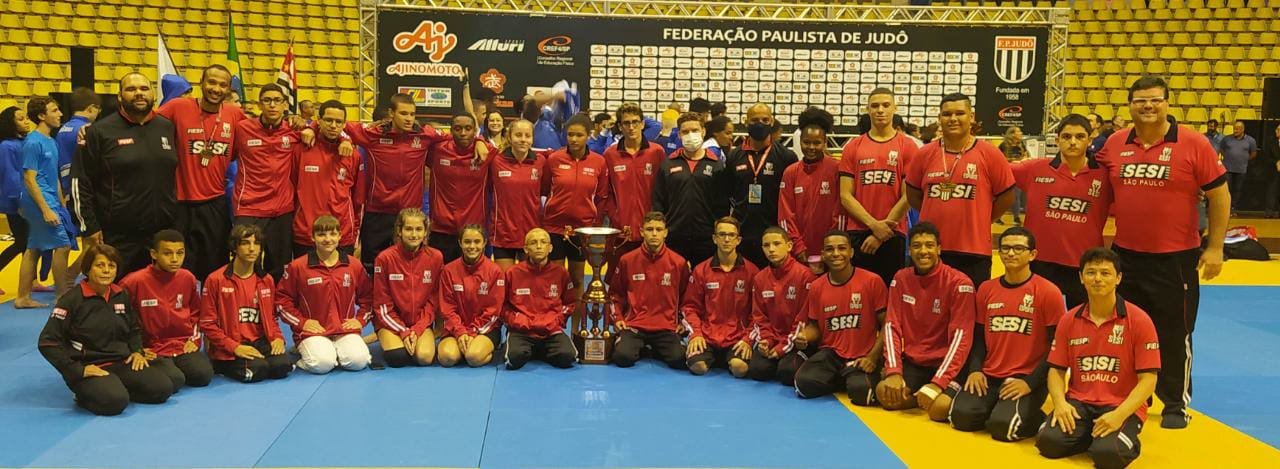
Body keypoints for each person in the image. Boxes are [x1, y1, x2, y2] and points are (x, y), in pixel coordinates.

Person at [1094, 76, 1228, 428]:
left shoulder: (1194, 143)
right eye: (1140, 100)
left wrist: (1215, 247)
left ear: (1168, 103)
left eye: (1155, 99)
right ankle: (1131, 398)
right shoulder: (1115, 143)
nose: (1148, 106)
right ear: (1130, 105)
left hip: (1176, 258)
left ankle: (1174, 403)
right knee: (1124, 331)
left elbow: (1219, 195)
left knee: (1174, 332)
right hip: (1125, 256)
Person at [1036, 247, 1159, 468]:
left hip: (1120, 405)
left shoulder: (1139, 320)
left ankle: (1114, 439)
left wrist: (1119, 415)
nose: (1098, 279)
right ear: (1081, 277)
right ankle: (1090, 435)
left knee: (1108, 455)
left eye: (1105, 273)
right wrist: (1060, 403)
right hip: (1080, 403)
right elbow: (1056, 369)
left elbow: (1149, 380)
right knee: (1048, 443)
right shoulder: (1069, 319)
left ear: (1118, 278)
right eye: (1091, 273)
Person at [950, 227, 1065, 441]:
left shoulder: (1048, 292)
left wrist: (1030, 383)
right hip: (990, 375)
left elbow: (1056, 347)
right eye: (1006, 248)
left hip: (1026, 378)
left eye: (1018, 248)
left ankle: (1035, 416)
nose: (1011, 253)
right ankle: (1000, 409)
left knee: (1003, 428)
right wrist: (975, 370)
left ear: (1032, 254)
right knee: (961, 418)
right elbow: (978, 337)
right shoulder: (986, 289)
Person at [38, 243, 173, 416]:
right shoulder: (71, 300)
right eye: (100, 265)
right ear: (87, 269)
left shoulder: (120, 294)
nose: (106, 271)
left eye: (111, 266)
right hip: (90, 366)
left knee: (163, 389)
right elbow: (47, 342)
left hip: (121, 361)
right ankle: (87, 394)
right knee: (115, 402)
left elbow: (133, 328)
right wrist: (76, 370)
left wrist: (137, 351)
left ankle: (114, 387)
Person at [73, 73, 179, 277]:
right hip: (118, 234)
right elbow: (81, 181)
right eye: (131, 89)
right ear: (120, 96)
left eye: (144, 88)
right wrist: (89, 226)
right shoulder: (99, 132)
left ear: (153, 94)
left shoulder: (166, 127)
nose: (139, 93)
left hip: (160, 232)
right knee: (115, 291)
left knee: (155, 291)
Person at [904, 93, 1016, 285]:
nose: (953, 119)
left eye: (960, 113)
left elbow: (1007, 196)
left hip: (973, 250)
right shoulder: (924, 154)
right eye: (947, 114)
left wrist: (981, 217)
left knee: (970, 303)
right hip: (930, 249)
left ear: (971, 117)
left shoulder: (989, 153)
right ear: (939, 118)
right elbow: (913, 195)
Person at [158, 65, 249, 280]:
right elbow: (143, 122)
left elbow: (260, 133)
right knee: (175, 268)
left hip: (214, 204)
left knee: (214, 267)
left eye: (222, 85)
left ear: (228, 89)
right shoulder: (178, 107)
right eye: (212, 82)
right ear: (201, 82)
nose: (216, 88)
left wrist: (304, 125)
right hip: (179, 203)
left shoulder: (235, 114)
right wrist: (92, 128)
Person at [878, 222, 975, 421]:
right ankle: (920, 394)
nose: (923, 251)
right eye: (917, 246)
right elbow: (891, 326)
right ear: (910, 250)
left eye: (929, 245)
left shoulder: (959, 283)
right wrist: (894, 371)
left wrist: (939, 382)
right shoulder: (901, 278)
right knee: (884, 393)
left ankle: (932, 394)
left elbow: (961, 338)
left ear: (939, 249)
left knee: (939, 410)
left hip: (947, 364)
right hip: (916, 362)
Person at [1013, 114, 1111, 308]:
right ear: (1057, 140)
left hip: (1085, 264)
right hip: (1040, 261)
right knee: (1038, 319)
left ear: (1090, 140)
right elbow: (993, 172)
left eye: (1080, 136)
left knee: (1081, 322)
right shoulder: (1034, 168)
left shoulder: (1106, 176)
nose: (1073, 142)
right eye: (1066, 137)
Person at [343, 93, 448, 270]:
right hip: (378, 213)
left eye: (412, 114)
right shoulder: (373, 134)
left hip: (410, 214)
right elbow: (337, 125)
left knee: (409, 267)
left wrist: (478, 141)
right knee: (372, 267)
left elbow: (456, 137)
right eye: (403, 113)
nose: (409, 119)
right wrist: (342, 139)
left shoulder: (424, 134)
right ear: (391, 113)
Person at [790, 230, 889, 403]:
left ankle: (850, 378)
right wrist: (804, 336)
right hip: (831, 354)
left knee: (862, 393)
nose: (836, 254)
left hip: (862, 354)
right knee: (803, 385)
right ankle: (846, 377)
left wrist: (873, 357)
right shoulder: (816, 287)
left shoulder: (872, 281)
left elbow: (887, 324)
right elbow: (815, 327)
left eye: (842, 248)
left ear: (851, 252)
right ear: (823, 255)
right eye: (830, 249)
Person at [276, 215, 373, 374]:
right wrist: (302, 323)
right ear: (312, 237)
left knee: (359, 361)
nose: (328, 239)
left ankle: (333, 351)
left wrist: (360, 320)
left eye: (332, 234)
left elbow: (368, 297)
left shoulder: (353, 265)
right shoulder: (298, 267)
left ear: (340, 236)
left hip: (344, 330)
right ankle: (308, 354)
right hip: (313, 331)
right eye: (321, 234)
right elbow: (282, 301)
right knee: (323, 364)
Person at [231, 84, 310, 279]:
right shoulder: (242, 129)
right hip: (249, 208)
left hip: (281, 210)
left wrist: (310, 128)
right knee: (246, 264)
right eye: (267, 100)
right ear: (260, 104)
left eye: (277, 100)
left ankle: (275, 298)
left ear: (285, 105)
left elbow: (329, 129)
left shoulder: (294, 130)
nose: (272, 105)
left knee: (279, 267)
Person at [840, 88, 917, 287]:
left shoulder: (907, 146)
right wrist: (874, 226)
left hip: (893, 232)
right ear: (868, 109)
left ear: (894, 108)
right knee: (859, 294)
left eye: (885, 105)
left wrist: (882, 231)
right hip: (859, 231)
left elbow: (908, 196)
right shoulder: (853, 146)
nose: (880, 110)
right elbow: (845, 195)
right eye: (874, 106)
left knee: (889, 292)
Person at [119, 230, 213, 391]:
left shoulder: (188, 278)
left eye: (180, 253)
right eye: (167, 253)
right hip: (152, 348)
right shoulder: (133, 282)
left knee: (203, 375)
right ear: (154, 254)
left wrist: (194, 340)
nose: (175, 259)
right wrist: (136, 349)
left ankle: (172, 366)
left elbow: (196, 313)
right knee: (175, 380)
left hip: (182, 344)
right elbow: (121, 320)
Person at [199, 224, 292, 383]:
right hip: (230, 345)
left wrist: (277, 338)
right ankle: (221, 365)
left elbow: (271, 317)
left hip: (258, 341)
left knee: (282, 366)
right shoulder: (216, 279)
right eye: (245, 243)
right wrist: (234, 347)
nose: (252, 249)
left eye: (256, 244)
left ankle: (257, 362)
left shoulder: (266, 280)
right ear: (235, 247)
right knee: (259, 369)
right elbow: (207, 324)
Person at [608, 211, 690, 369]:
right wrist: (617, 318)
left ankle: (649, 348)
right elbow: (615, 294)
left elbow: (686, 298)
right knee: (622, 357)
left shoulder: (678, 263)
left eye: (659, 230)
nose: (654, 234)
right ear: (641, 232)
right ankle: (644, 347)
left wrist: (682, 322)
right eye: (649, 229)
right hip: (634, 326)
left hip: (666, 327)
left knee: (679, 359)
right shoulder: (627, 260)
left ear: (665, 232)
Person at [542, 113, 608, 303]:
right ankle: (553, 319)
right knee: (554, 281)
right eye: (570, 134)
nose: (574, 139)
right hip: (554, 228)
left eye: (579, 135)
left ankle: (577, 322)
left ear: (588, 135)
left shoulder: (599, 162)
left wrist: (594, 227)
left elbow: (602, 197)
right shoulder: (554, 159)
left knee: (577, 279)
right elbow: (544, 190)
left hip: (582, 230)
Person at [722, 103, 798, 268]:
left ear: (772, 122)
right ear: (746, 122)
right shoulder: (734, 156)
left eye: (765, 120)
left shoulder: (786, 157)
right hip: (742, 231)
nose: (760, 124)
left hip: (773, 232)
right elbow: (727, 192)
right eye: (755, 120)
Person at [683, 216, 758, 377]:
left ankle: (727, 359)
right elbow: (690, 307)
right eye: (722, 234)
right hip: (707, 336)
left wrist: (747, 339)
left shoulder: (752, 272)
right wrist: (696, 334)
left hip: (737, 337)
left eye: (731, 235)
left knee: (739, 369)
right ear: (714, 239)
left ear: (738, 240)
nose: (726, 239)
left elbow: (758, 313)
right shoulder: (701, 270)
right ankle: (714, 358)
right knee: (698, 367)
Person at [653, 113, 729, 267]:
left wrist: (718, 232)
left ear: (703, 132)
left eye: (695, 130)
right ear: (679, 135)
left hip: (706, 237)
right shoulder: (668, 164)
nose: (690, 135)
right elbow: (659, 201)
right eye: (685, 131)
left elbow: (722, 204)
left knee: (705, 278)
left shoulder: (716, 165)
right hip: (674, 235)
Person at [373, 209, 445, 367]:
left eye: (419, 229)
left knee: (425, 358)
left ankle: (410, 339)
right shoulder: (385, 258)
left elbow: (434, 300)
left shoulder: (435, 257)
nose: (414, 234)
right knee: (398, 357)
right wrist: (403, 331)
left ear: (425, 232)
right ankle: (384, 336)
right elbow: (381, 304)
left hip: (420, 321)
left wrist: (418, 328)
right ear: (399, 230)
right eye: (408, 229)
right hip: (390, 322)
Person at [19, 96, 75, 300]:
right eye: (54, 111)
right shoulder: (33, 142)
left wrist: (61, 203)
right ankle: (62, 295)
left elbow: (54, 175)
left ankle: (23, 297)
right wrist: (46, 209)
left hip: (50, 198)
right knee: (63, 245)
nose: (60, 114)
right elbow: (29, 178)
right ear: (42, 116)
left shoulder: (51, 141)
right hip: (39, 200)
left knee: (33, 247)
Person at [601, 103, 665, 275]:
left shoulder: (657, 152)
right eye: (626, 123)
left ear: (642, 124)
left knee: (649, 278)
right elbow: (606, 192)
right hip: (621, 230)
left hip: (650, 229)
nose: (631, 127)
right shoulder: (610, 154)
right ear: (620, 126)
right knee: (617, 280)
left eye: (635, 122)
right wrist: (615, 215)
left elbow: (664, 189)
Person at [293, 99, 363, 257]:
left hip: (341, 234)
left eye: (338, 122)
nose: (333, 125)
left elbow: (358, 200)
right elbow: (291, 187)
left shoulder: (353, 155)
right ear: (319, 121)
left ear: (344, 124)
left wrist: (354, 234)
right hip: (306, 233)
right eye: (329, 120)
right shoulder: (302, 149)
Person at [501, 228, 579, 370]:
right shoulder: (512, 273)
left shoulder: (561, 273)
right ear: (526, 249)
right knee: (514, 358)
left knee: (568, 357)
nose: (538, 246)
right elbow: (502, 306)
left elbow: (569, 303)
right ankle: (535, 351)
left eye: (543, 242)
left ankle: (536, 351)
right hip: (522, 331)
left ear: (550, 248)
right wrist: (517, 321)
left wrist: (556, 320)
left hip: (550, 331)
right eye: (533, 243)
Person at [746, 226, 814, 385]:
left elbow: (803, 320)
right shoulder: (760, 278)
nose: (771, 249)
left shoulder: (805, 276)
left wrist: (781, 348)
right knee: (758, 371)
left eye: (776, 244)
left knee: (787, 373)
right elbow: (759, 316)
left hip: (796, 341)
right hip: (773, 339)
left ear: (789, 246)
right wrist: (766, 341)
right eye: (766, 245)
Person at [426, 112, 497, 263]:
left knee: (474, 275)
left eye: (468, 128)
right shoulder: (437, 150)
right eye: (458, 129)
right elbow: (421, 134)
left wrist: (480, 140)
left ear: (474, 130)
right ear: (451, 130)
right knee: (440, 274)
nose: (463, 133)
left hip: (473, 230)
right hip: (441, 229)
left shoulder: (487, 152)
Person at [780, 107, 842, 273]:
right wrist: (797, 246)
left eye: (817, 143)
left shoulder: (836, 169)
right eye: (806, 142)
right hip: (799, 253)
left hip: (831, 253)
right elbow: (785, 215)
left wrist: (831, 246)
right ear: (800, 142)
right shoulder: (790, 172)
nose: (811, 147)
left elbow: (840, 212)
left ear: (825, 142)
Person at [437, 225, 506, 368]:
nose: (472, 246)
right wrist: (460, 332)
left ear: (484, 243)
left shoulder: (495, 271)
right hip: (456, 328)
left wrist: (472, 331)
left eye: (477, 241)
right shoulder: (448, 270)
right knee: (447, 358)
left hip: (485, 329)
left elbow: (493, 311)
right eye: (467, 242)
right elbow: (447, 308)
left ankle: (483, 348)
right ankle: (464, 347)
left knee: (473, 357)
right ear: (460, 243)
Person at [489, 119, 544, 269]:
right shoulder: (496, 161)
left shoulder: (540, 161)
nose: (523, 139)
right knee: (505, 279)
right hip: (503, 233)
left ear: (532, 138)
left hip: (531, 232)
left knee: (527, 280)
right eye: (518, 135)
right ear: (510, 136)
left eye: (527, 135)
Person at [1, 107, 39, 301]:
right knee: (21, 242)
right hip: (15, 202)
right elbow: (11, 176)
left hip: (29, 198)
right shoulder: (7, 146)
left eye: (25, 118)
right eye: (20, 119)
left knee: (31, 241)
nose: (26, 121)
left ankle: (32, 280)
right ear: (11, 123)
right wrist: (19, 202)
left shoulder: (26, 141)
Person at [54, 88, 101, 196]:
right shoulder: (87, 129)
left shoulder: (63, 128)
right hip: (81, 188)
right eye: (98, 109)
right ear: (91, 108)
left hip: (65, 185)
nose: (98, 113)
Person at [1218, 119, 1257, 216]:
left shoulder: (1251, 140)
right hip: (1228, 168)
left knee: (1238, 190)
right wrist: (1226, 157)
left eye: (1237, 129)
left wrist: (1244, 159)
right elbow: (1221, 149)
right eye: (1234, 128)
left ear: (1242, 129)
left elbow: (1253, 153)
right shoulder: (1226, 139)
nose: (1235, 130)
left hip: (1241, 169)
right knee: (1228, 189)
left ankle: (1234, 208)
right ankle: (1226, 208)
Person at [998, 126, 1029, 225]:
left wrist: (1024, 160)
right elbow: (998, 159)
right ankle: (998, 216)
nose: (1021, 133)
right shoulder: (1003, 145)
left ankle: (1016, 217)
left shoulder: (1021, 144)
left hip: (1018, 173)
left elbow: (1026, 155)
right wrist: (1012, 161)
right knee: (1004, 196)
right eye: (1018, 131)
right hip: (1007, 173)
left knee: (1016, 196)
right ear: (1012, 134)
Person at [1264, 124, 1280, 218]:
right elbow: (1266, 157)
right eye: (1276, 129)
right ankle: (1269, 212)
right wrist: (1276, 162)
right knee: (1271, 192)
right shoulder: (1271, 142)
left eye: (1278, 130)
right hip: (1273, 172)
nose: (1276, 131)